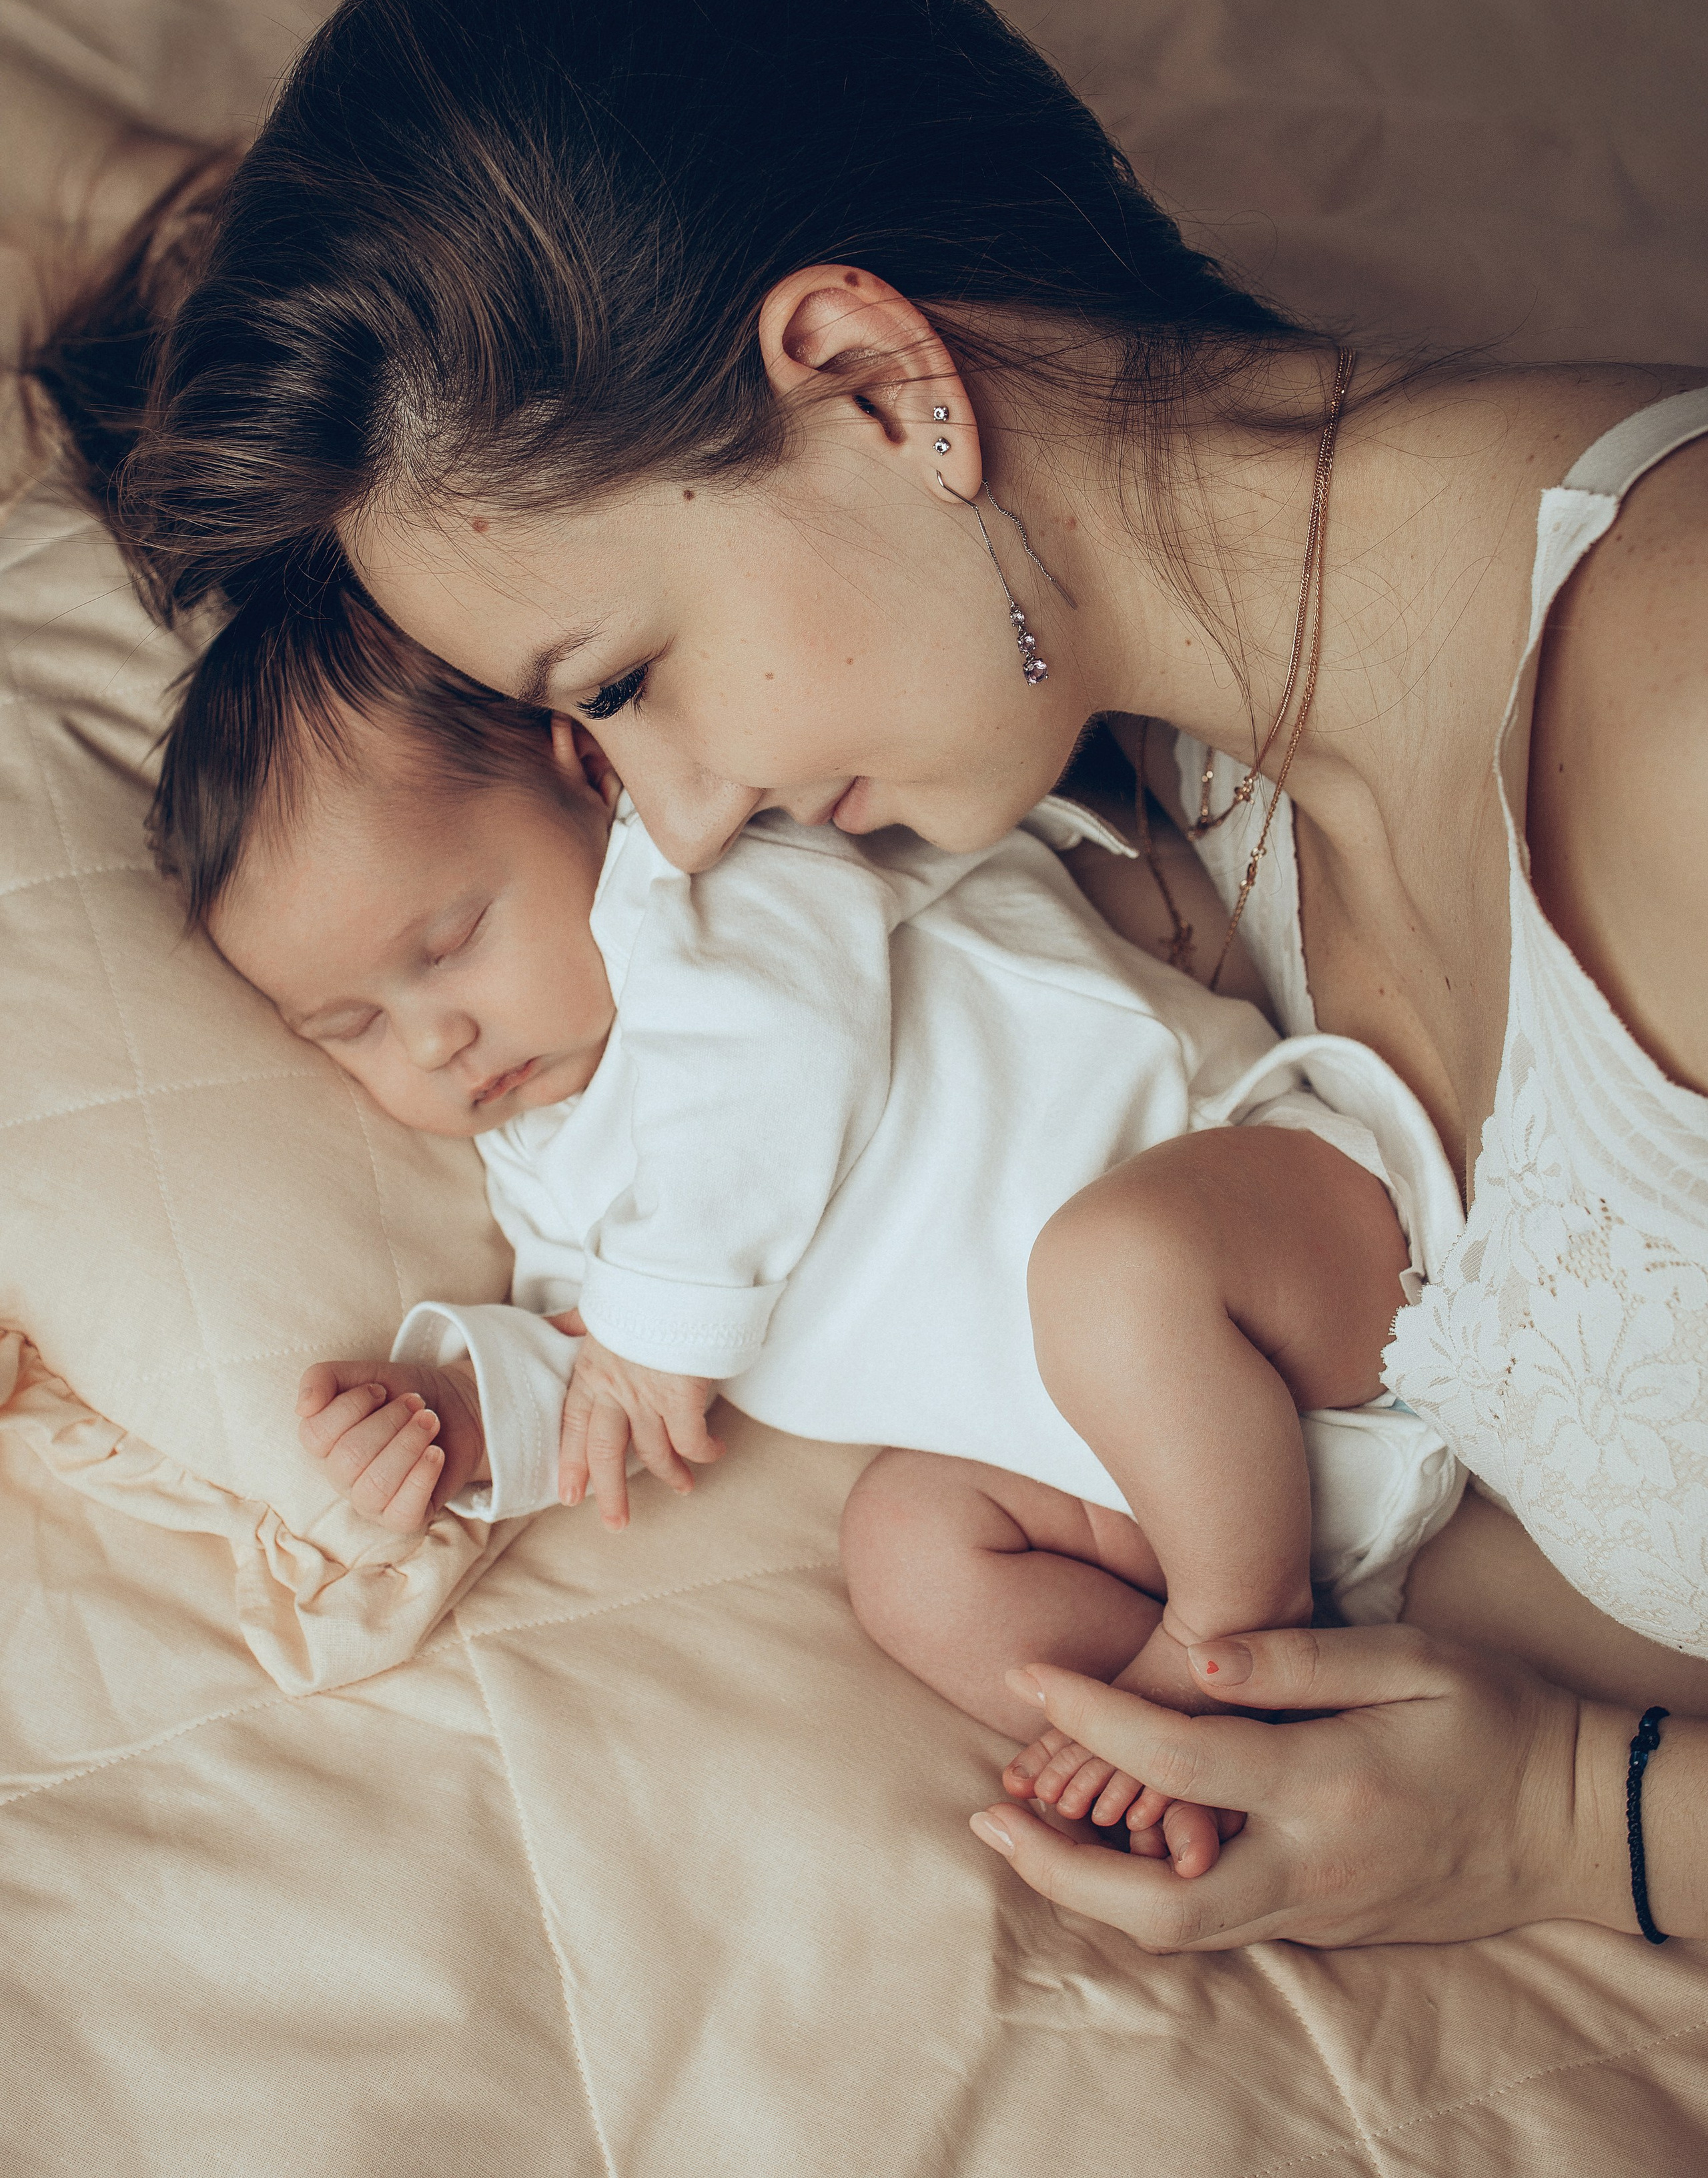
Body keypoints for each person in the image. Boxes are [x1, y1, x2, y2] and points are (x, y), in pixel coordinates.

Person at [58, 0, 1708, 1946]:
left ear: (870, 374)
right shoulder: (1118, 714)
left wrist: (1575, 1823)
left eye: (624, 684)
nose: (674, 817)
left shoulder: (1681, 725)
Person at [148, 576, 1463, 1860]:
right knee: (905, 1553)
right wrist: (464, 1410)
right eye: (352, 1026)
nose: (435, 1041)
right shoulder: (539, 1161)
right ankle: (1164, 1733)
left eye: (449, 943)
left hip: (1286, 1261)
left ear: (585, 778)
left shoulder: (713, 886)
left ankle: (1221, 1653)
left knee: (1112, 1274)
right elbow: (610, 1367)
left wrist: (650, 1330)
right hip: (1136, 1499)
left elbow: (769, 1068)